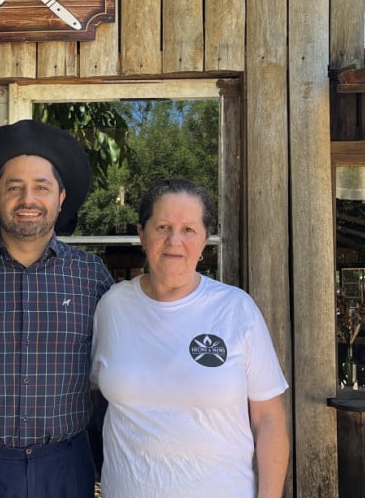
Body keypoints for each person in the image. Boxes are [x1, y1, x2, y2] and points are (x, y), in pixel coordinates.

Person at [91, 179, 290, 498]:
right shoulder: (112, 306)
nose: (174, 241)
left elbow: (269, 420)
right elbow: (93, 390)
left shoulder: (236, 309)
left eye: (188, 230)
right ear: (142, 235)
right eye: (163, 227)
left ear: (204, 241)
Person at [0, 120, 114, 498]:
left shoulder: (92, 276)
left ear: (60, 198)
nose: (28, 200)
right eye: (13, 187)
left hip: (67, 464)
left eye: (41, 187)